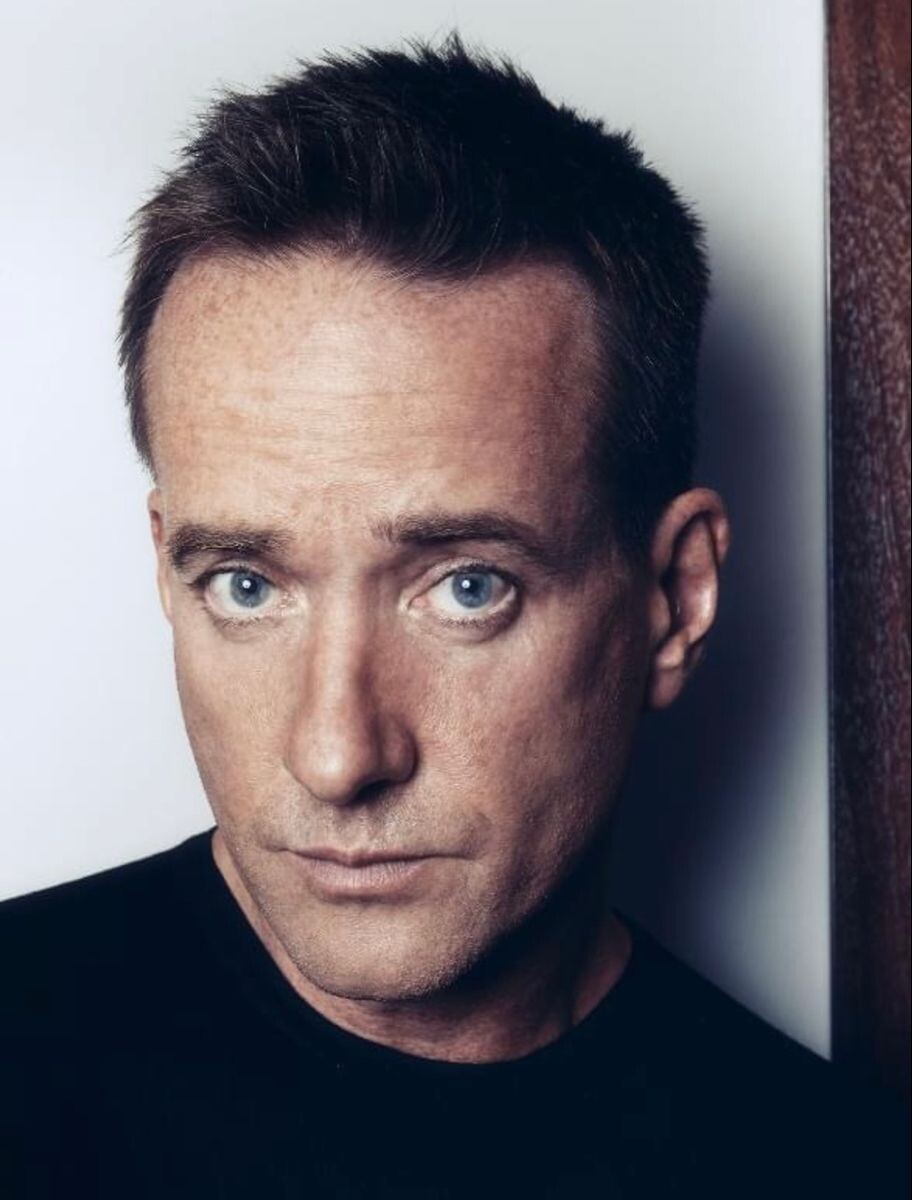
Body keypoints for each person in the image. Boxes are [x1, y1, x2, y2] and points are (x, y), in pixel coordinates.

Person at [0, 35, 905, 1200]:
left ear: (675, 599)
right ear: (167, 571)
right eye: (246, 584)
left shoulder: (836, 1167)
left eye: (468, 587)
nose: (336, 756)